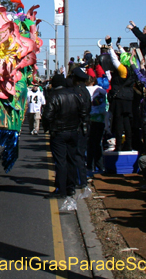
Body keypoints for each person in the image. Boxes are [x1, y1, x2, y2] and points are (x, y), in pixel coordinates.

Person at [42, 67, 89, 207]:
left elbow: (47, 115)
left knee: (60, 161)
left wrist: (48, 128)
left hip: (59, 132)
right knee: (71, 159)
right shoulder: (74, 95)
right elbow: (83, 111)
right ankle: (71, 187)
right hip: (73, 132)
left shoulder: (54, 96)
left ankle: (61, 189)